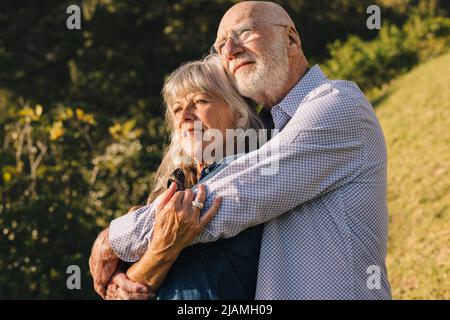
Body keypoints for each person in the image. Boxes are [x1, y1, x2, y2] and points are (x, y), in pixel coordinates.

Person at [90, 1, 392, 300]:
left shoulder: (337, 104)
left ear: (291, 39)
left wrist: (114, 239)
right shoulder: (265, 134)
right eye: (220, 44)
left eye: (244, 32)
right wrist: (131, 276)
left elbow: (235, 194)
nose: (229, 49)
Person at [97, 54, 267, 300]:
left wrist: (112, 243)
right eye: (177, 108)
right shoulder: (177, 185)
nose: (184, 115)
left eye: (199, 101)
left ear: (238, 114)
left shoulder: (249, 173)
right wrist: (121, 284)